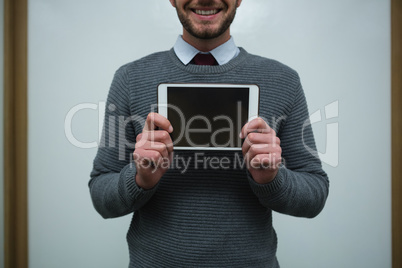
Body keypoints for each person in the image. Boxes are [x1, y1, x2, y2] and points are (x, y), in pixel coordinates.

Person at [89, 0, 329, 267]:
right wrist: (140, 178)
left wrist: (271, 178)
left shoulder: (283, 80)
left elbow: (315, 194)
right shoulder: (130, 78)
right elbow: (101, 195)